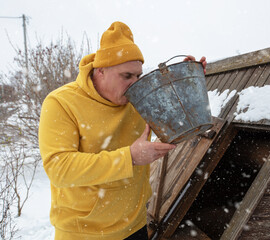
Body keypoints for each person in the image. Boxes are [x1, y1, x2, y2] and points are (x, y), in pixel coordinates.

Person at [38, 21, 206, 240]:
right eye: (127, 76)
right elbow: (59, 169)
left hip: (135, 227)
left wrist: (187, 81)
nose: (135, 83)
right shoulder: (61, 102)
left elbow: (180, 122)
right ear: (101, 71)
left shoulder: (138, 98)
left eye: (138, 75)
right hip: (84, 233)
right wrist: (130, 158)